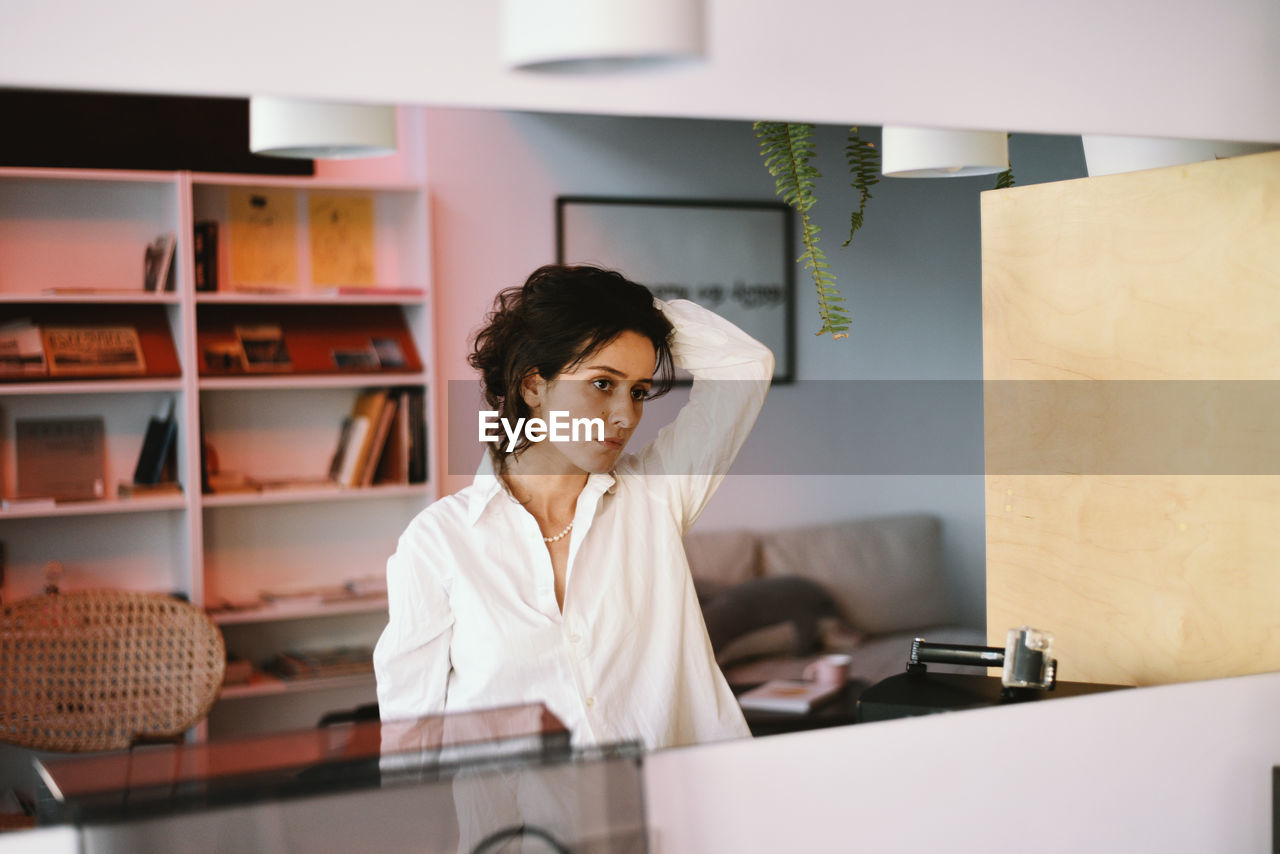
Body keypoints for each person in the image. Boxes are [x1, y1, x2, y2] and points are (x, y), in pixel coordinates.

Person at [373, 264, 773, 751]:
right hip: (518, 824)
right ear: (533, 386)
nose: (626, 415)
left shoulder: (655, 497)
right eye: (603, 384)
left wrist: (640, 312)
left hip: (674, 806)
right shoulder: (439, 541)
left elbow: (746, 366)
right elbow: (411, 730)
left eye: (639, 391)